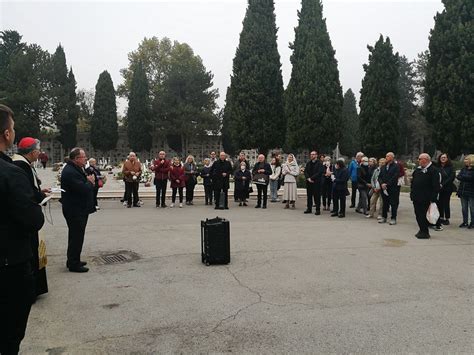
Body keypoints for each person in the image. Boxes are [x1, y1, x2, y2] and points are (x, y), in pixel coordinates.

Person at [0, 104, 45, 355]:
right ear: (7, 134)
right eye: (13, 127)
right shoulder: (12, 171)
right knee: (9, 335)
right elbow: (32, 219)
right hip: (9, 265)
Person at [12, 137, 50, 299]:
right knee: (32, 251)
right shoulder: (22, 166)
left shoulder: (21, 163)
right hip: (28, 218)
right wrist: (40, 195)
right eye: (38, 150)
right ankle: (33, 289)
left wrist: (41, 191)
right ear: (33, 151)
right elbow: (27, 193)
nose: (40, 153)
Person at [60, 147, 95, 272]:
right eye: (83, 156)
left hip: (78, 208)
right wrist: (90, 182)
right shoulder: (70, 172)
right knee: (76, 236)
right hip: (75, 209)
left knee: (76, 236)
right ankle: (73, 263)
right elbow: (83, 189)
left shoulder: (75, 168)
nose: (85, 158)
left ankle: (74, 259)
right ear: (76, 159)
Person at [410, 153, 441, 239]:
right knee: (418, 214)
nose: (419, 161)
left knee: (424, 215)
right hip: (416, 197)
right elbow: (413, 183)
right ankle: (422, 229)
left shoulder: (433, 170)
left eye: (420, 159)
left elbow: (436, 186)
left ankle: (425, 231)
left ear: (426, 160)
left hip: (427, 197)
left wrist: (433, 198)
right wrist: (412, 194)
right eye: (419, 159)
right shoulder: (417, 170)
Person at [378, 152, 400, 225]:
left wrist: (387, 184)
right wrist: (382, 184)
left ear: (392, 157)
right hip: (384, 188)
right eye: (386, 156)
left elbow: (395, 177)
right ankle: (384, 217)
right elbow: (380, 177)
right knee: (385, 203)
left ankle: (393, 218)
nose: (386, 157)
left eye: (387, 156)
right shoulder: (383, 167)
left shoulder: (396, 166)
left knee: (393, 204)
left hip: (392, 188)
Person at [435, 153, 455, 227]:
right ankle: (440, 217)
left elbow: (451, 177)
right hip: (438, 188)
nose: (443, 159)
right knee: (439, 203)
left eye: (444, 157)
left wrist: (442, 184)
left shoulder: (451, 167)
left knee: (446, 203)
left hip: (447, 188)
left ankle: (447, 218)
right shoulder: (437, 167)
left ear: (447, 158)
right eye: (441, 157)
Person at [304, 151, 324, 215]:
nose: (312, 156)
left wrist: (312, 178)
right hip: (309, 182)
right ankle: (309, 208)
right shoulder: (308, 163)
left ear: (316, 155)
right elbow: (305, 171)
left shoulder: (319, 163)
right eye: (311, 154)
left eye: (313, 154)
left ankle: (317, 210)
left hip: (316, 182)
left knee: (317, 196)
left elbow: (319, 172)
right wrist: (308, 178)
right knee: (309, 196)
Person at [456, 154, 474, 229]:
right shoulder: (464, 169)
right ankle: (465, 222)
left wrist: (464, 177)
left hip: (471, 192)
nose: (465, 161)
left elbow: (471, 178)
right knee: (464, 208)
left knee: (472, 208)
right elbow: (458, 176)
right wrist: (465, 177)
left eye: (467, 159)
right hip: (462, 191)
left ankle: (472, 222)